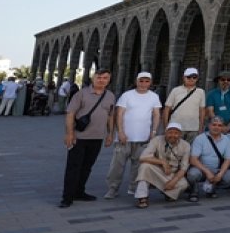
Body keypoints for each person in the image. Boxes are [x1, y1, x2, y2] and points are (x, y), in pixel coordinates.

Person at [59, 70, 116, 208]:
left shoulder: (110, 96)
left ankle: (79, 191)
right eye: (99, 77)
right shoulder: (81, 94)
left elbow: (110, 116)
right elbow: (70, 113)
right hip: (80, 137)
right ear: (93, 78)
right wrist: (69, 133)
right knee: (74, 167)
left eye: (105, 78)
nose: (101, 80)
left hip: (97, 137)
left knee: (87, 166)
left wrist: (110, 134)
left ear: (108, 80)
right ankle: (67, 197)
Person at [104, 71, 162, 199]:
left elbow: (156, 115)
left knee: (138, 165)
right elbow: (119, 114)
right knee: (117, 165)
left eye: (146, 81)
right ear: (136, 81)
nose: (143, 84)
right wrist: (120, 132)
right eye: (141, 81)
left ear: (150, 83)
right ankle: (112, 188)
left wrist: (153, 132)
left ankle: (133, 187)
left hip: (143, 137)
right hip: (125, 137)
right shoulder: (127, 95)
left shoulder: (154, 97)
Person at [134, 121, 191, 208]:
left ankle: (167, 192)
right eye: (170, 132)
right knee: (145, 166)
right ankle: (142, 197)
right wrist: (162, 162)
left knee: (183, 184)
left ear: (180, 135)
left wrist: (173, 181)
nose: (173, 135)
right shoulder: (156, 140)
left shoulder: (186, 145)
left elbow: (184, 168)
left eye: (176, 133)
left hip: (173, 174)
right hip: (158, 170)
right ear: (165, 132)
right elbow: (143, 158)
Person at [186, 116, 230, 201]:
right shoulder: (200, 138)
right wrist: (207, 172)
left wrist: (220, 174)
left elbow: (227, 160)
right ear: (209, 126)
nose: (216, 127)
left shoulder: (226, 139)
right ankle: (194, 190)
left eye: (219, 125)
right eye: (214, 125)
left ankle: (212, 187)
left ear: (222, 127)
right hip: (201, 169)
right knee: (192, 174)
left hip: (217, 169)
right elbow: (193, 159)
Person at [163, 68, 205, 143]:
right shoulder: (175, 90)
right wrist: (166, 126)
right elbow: (167, 109)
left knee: (190, 151)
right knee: (174, 150)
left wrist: (201, 127)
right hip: (176, 126)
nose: (191, 79)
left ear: (197, 78)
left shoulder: (201, 92)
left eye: (194, 77)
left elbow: (202, 110)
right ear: (184, 78)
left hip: (193, 128)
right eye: (188, 77)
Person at [206, 70, 230, 135]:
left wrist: (228, 126)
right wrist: (220, 126)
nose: (226, 82)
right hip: (214, 128)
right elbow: (210, 111)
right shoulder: (211, 94)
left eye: (228, 80)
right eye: (223, 79)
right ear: (218, 81)